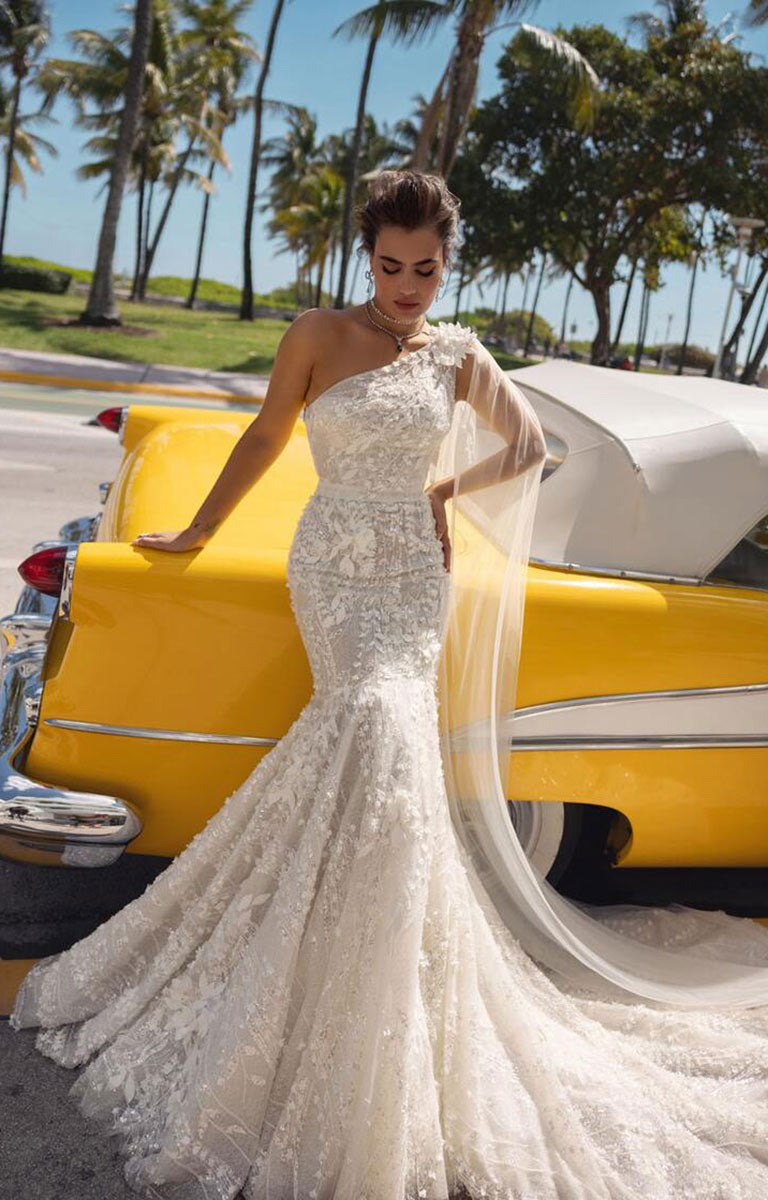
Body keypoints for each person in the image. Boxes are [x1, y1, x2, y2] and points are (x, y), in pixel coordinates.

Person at [10, 170, 768, 1200]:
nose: (407, 287)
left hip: (413, 579)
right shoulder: (319, 333)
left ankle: (380, 988)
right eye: (390, 266)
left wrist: (442, 495)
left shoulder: (457, 351)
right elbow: (270, 434)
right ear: (365, 257)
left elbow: (533, 448)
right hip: (331, 568)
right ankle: (313, 979)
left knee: (391, 758)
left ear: (447, 265)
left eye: (426, 270)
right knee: (364, 729)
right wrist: (195, 533)